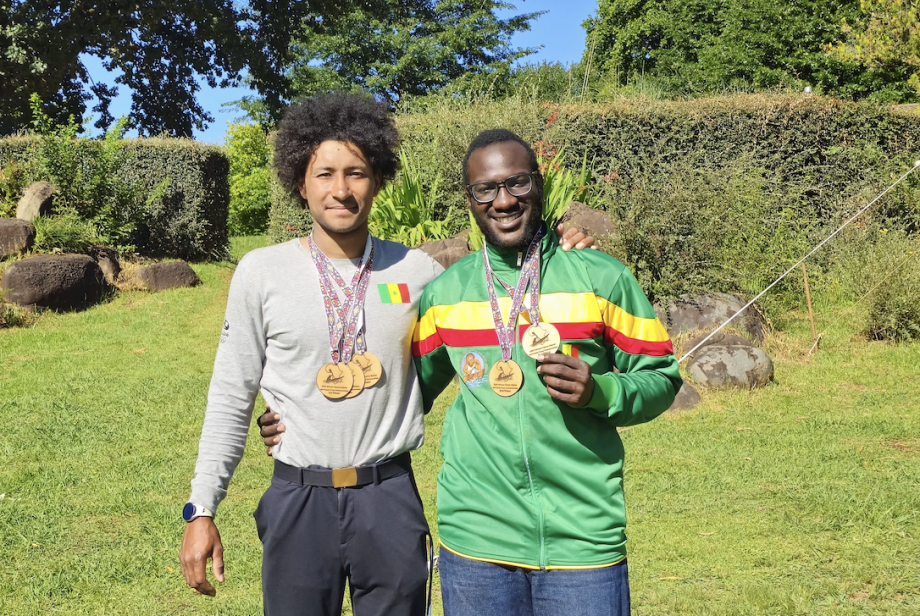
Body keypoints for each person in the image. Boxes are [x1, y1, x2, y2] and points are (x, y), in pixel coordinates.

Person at [179, 93, 594, 616]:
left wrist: (557, 250)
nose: (340, 189)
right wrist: (202, 508)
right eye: (324, 173)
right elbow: (229, 395)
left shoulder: (417, 273)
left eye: (356, 172)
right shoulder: (261, 274)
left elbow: (494, 301)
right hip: (298, 499)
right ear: (299, 183)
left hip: (389, 498)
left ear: (377, 179)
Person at [410, 129, 683, 615]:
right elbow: (406, 394)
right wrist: (301, 418)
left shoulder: (601, 278)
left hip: (582, 538)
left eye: (517, 183)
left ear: (538, 185)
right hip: (476, 541)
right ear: (470, 200)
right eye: (485, 189)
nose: (503, 201)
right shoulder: (446, 294)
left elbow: (661, 376)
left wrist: (600, 391)